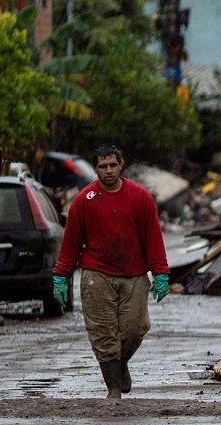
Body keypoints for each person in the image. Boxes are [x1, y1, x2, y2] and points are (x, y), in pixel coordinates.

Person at [52, 144, 170, 398]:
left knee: (135, 328)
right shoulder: (83, 201)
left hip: (135, 274)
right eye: (102, 167)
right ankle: (113, 389)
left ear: (121, 164)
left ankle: (120, 363)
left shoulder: (139, 197)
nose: (108, 171)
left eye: (113, 165)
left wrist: (161, 273)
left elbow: (153, 237)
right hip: (97, 274)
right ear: (95, 169)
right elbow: (70, 243)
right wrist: (60, 277)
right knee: (103, 333)